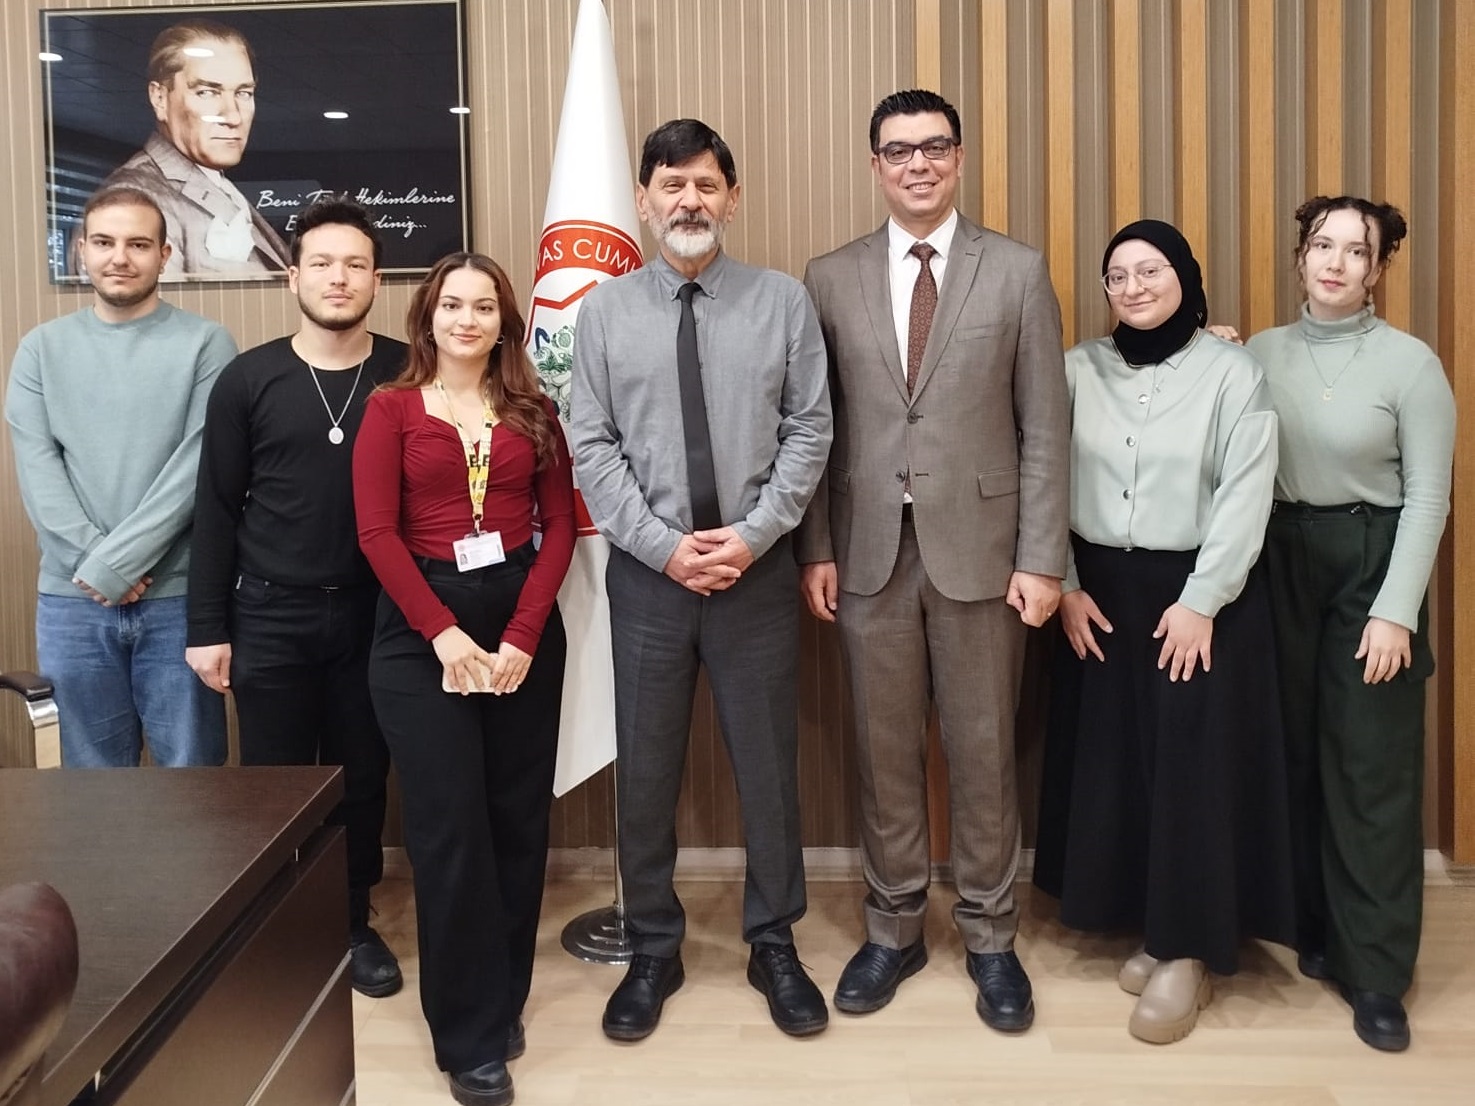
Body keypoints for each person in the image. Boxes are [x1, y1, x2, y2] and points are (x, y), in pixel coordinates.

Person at [795, 89, 1069, 1032]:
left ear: (958, 157)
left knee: (984, 751)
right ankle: (894, 928)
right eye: (898, 150)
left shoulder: (1018, 271)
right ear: (875, 164)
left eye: (934, 147)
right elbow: (815, 428)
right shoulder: (828, 277)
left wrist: (1042, 558)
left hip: (986, 558)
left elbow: (1045, 427)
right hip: (865, 554)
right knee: (884, 754)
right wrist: (815, 548)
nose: (917, 163)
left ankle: (990, 938)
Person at [568, 118, 833, 1042]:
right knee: (645, 772)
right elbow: (589, 443)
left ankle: (773, 941)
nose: (690, 201)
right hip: (649, 579)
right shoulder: (603, 313)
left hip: (754, 575)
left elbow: (810, 429)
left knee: (768, 768)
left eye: (706, 184)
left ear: (732, 197)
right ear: (644, 202)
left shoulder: (782, 303)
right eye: (671, 185)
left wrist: (752, 538)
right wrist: (662, 547)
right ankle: (652, 946)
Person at [1033, 219, 1296, 1045]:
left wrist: (1201, 599)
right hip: (1098, 594)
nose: (1133, 286)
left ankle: (1191, 949)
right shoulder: (1075, 368)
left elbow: (1247, 492)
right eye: (1117, 275)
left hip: (1199, 595)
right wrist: (1064, 585)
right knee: (1119, 763)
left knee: (1191, 770)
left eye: (1150, 270)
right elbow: (1041, 476)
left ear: (1184, 275)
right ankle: (1150, 921)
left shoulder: (1232, 372)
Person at [353, 252, 575, 1106]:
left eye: (483, 307)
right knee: (450, 832)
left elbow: (559, 528)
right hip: (421, 633)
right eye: (452, 305)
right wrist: (442, 633)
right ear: (428, 316)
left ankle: (500, 1000)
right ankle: (467, 1037)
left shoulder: (533, 412)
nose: (467, 320)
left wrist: (522, 635)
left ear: (503, 322)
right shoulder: (391, 409)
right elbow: (376, 535)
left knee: (516, 822)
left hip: (519, 624)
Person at [1245, 197, 1454, 1052]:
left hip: (1371, 561)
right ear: (1300, 257)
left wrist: (1395, 611)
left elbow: (1428, 498)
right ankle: (1313, 930)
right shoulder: (1258, 354)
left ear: (1377, 269)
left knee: (1369, 769)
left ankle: (1374, 971)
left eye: (1355, 251)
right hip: (1276, 558)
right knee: (1291, 753)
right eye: (1321, 245)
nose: (1334, 262)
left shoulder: (1411, 365)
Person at [185, 196, 404, 999]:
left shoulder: (407, 373)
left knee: (360, 779)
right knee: (273, 783)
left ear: (376, 280)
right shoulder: (249, 378)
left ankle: (350, 922)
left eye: (354, 264)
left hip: (376, 615)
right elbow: (215, 508)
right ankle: (277, 928)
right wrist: (206, 626)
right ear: (293, 277)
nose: (337, 278)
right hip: (269, 613)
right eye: (321, 263)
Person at [5, 186, 233, 767]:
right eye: (104, 242)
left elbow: (197, 467)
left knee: (194, 786)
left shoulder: (207, 344)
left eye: (138, 244)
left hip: (177, 600)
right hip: (72, 604)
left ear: (165, 254)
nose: (119, 258)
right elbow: (39, 471)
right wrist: (97, 565)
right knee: (93, 790)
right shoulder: (40, 350)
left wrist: (115, 566)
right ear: (81, 249)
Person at [98, 18, 289, 278]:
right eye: (207, 92)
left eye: (243, 93)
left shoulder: (217, 184)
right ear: (160, 98)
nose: (233, 116)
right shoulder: (135, 198)